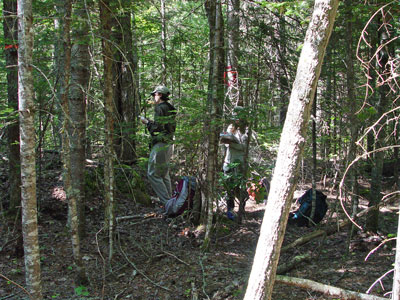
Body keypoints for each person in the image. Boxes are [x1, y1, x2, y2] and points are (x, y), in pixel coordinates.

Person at [140, 85, 176, 205]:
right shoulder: (169, 108)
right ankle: (170, 201)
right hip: (169, 143)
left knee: (153, 174)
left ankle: (167, 202)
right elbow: (164, 126)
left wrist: (146, 123)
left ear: (159, 95)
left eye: (154, 94)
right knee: (164, 173)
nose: (154, 97)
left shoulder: (160, 108)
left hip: (161, 143)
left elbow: (158, 128)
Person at [221, 106, 248, 220]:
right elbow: (226, 142)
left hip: (239, 162)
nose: (236, 119)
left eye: (238, 117)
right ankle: (230, 210)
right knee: (228, 187)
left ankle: (242, 209)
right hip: (228, 161)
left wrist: (231, 144)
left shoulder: (246, 130)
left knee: (239, 188)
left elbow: (244, 147)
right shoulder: (231, 127)